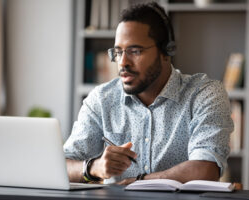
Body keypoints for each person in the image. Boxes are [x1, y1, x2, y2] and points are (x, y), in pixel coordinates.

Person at [63, 2, 233, 185]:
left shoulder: (204, 94)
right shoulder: (101, 99)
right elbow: (62, 165)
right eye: (118, 52)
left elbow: (205, 169)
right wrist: (93, 167)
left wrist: (139, 182)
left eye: (135, 51)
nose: (122, 62)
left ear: (167, 51)